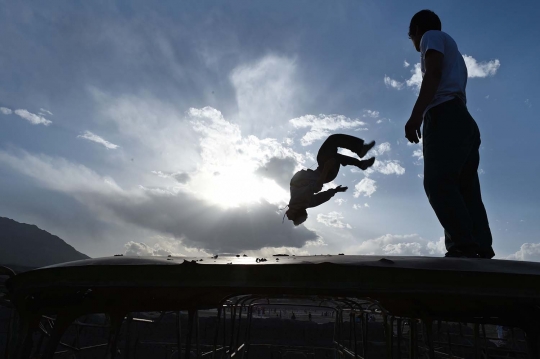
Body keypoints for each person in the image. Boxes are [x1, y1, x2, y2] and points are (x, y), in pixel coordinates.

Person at [405, 10, 495, 258]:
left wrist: (416, 116)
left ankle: (463, 245)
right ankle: (480, 245)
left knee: (438, 182)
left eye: (411, 36)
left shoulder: (431, 36)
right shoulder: (455, 52)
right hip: (462, 119)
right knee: (466, 188)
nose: (413, 43)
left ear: (416, 30)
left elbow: (433, 74)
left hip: (444, 115)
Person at [285, 134, 375, 226]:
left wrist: (335, 190)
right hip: (325, 171)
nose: (288, 216)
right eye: (291, 217)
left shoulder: (305, 203)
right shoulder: (298, 199)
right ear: (295, 211)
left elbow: (323, 197)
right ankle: (360, 150)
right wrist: (326, 168)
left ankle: (361, 163)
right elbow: (317, 187)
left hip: (328, 174)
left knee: (336, 157)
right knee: (333, 140)